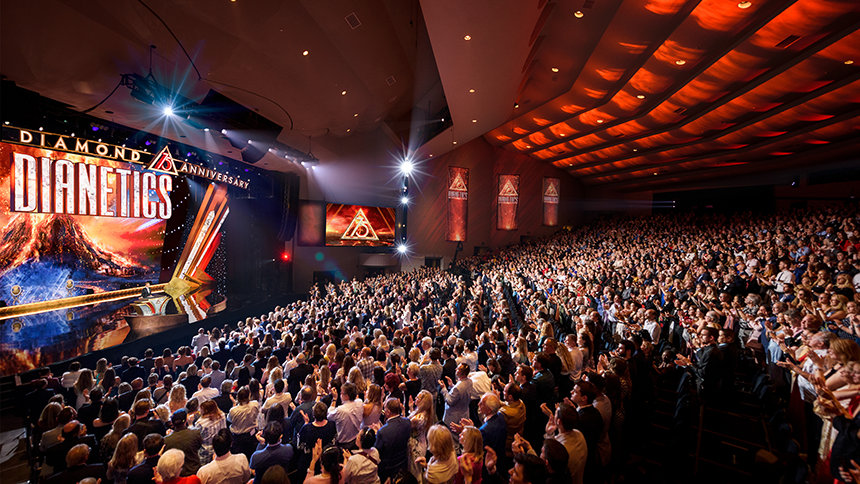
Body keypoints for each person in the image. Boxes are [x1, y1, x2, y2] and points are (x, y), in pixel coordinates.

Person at [375, 398, 412, 482]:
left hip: (387, 469)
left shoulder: (382, 432)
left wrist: (376, 434)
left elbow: (377, 451)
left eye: (384, 409)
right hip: (403, 463)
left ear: (388, 412)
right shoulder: (407, 422)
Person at [164, 409, 203, 477]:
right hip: (194, 471)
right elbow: (199, 446)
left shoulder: (166, 440)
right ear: (185, 421)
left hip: (178, 474)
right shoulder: (195, 433)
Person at [327, 382, 364, 449]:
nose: (340, 395)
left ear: (347, 396)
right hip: (356, 439)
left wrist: (334, 399)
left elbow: (329, 416)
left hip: (344, 443)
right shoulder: (360, 402)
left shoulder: (340, 410)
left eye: (341, 393)